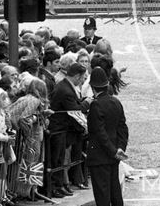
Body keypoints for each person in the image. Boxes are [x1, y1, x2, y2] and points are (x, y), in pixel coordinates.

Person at [86, 67, 128, 206]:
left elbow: (99, 133)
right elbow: (122, 127)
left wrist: (112, 151)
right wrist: (120, 148)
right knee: (115, 192)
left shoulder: (96, 105)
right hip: (114, 155)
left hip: (100, 156)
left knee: (102, 196)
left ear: (93, 87)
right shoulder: (116, 102)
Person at [48, 63, 91, 199]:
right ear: (77, 76)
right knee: (57, 159)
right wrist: (87, 102)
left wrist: (82, 101)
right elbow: (75, 109)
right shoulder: (65, 89)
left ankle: (60, 185)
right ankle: (55, 186)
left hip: (63, 129)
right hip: (58, 129)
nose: (83, 80)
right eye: (83, 77)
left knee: (61, 159)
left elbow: (75, 103)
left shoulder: (67, 86)